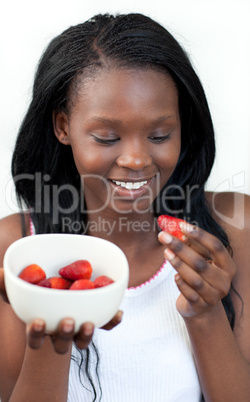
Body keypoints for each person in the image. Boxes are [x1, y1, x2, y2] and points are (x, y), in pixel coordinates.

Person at [0, 12, 249, 402]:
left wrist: (206, 312)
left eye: (159, 134)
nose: (136, 158)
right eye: (106, 137)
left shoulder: (235, 228)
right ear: (63, 126)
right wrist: (53, 341)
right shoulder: (14, 248)